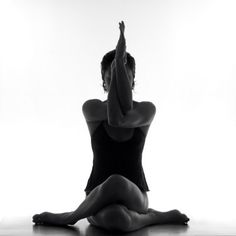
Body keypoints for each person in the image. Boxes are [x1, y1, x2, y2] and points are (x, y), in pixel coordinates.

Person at [32, 21, 189, 232]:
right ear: (104, 82)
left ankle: (70, 216)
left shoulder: (146, 109)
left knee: (116, 182)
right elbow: (113, 115)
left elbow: (119, 120)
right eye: (111, 78)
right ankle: (151, 218)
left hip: (135, 194)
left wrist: (118, 65)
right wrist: (118, 65)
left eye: (125, 77)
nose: (116, 81)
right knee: (118, 220)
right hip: (96, 194)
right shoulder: (92, 108)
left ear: (132, 81)